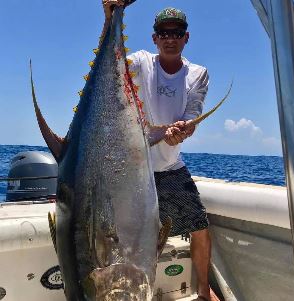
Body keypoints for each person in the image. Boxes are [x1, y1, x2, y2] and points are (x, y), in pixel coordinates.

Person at [103, 1, 216, 301]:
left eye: (176, 32)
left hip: (169, 167)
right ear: (154, 38)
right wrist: (110, 20)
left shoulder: (198, 74)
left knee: (200, 226)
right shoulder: (141, 62)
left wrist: (183, 130)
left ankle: (204, 291)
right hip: (132, 171)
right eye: (163, 33)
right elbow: (110, 67)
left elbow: (193, 115)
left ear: (186, 37)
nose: (170, 38)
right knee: (129, 238)